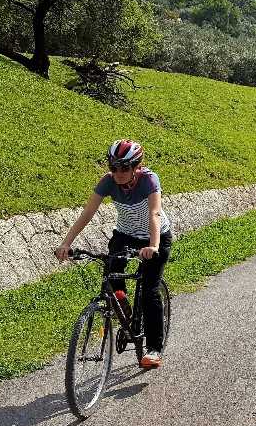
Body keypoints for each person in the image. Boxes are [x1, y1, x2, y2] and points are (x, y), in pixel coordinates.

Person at [55, 139, 172, 369]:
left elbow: (155, 213)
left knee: (149, 291)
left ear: (137, 166)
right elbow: (88, 213)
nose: (118, 173)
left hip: (154, 237)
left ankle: (154, 348)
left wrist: (154, 246)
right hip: (125, 235)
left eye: (124, 168)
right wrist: (66, 244)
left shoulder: (149, 180)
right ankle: (124, 310)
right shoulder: (108, 182)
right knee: (112, 275)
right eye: (113, 167)